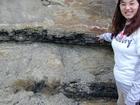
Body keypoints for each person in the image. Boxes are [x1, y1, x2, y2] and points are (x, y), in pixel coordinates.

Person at [97, 0, 140, 105]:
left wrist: (132, 99)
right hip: (121, 84)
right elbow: (118, 37)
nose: (127, 8)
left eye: (132, 3)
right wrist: (104, 36)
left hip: (134, 92)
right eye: (123, 4)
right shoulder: (126, 24)